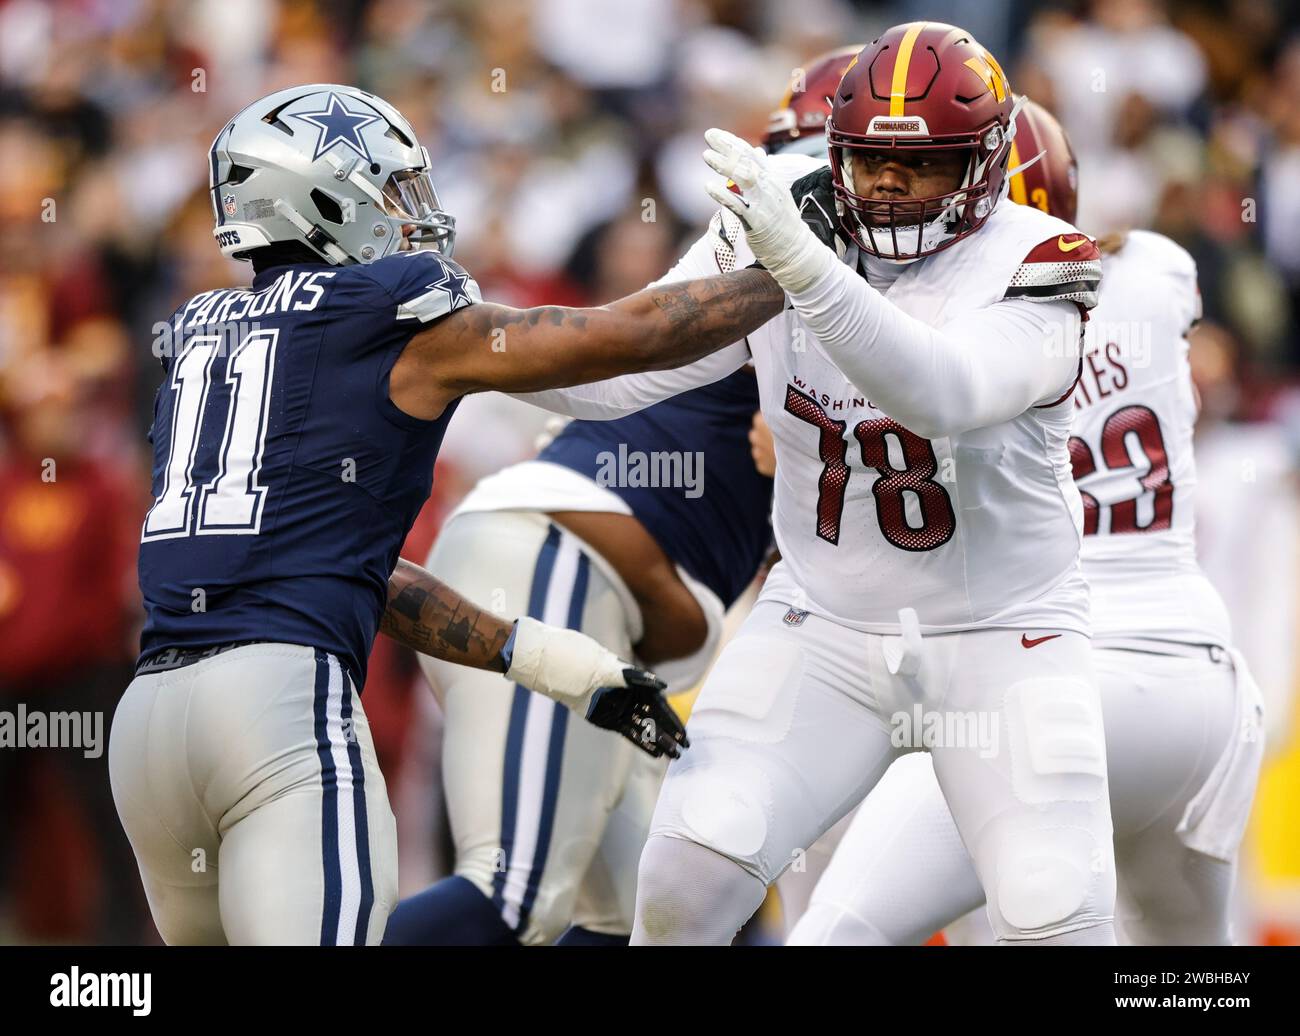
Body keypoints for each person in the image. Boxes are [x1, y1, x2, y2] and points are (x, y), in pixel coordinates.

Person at [108, 83, 783, 945]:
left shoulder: (198, 336)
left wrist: (545, 659)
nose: (411, 211)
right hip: (277, 707)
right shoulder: (388, 308)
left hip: (150, 725)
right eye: (391, 188)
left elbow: (330, 561)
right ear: (322, 198)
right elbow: (630, 337)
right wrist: (798, 271)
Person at [518, 22, 1114, 945]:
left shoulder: (1042, 258)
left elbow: (942, 393)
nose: (885, 185)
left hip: (1005, 637)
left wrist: (800, 262)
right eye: (866, 159)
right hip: (823, 622)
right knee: (685, 874)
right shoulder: (792, 213)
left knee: (1051, 913)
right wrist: (461, 340)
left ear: (986, 164)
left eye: (920, 166)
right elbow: (625, 372)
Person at [382, 46, 861, 948]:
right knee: (516, 893)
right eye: (887, 163)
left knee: (647, 915)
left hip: (586, 588)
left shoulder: (863, 287)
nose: (900, 190)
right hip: (559, 562)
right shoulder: (802, 224)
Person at [786, 100, 1266, 947]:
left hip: (1051, 677)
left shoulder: (940, 335)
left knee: (837, 933)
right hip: (1199, 686)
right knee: (1184, 974)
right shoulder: (1155, 268)